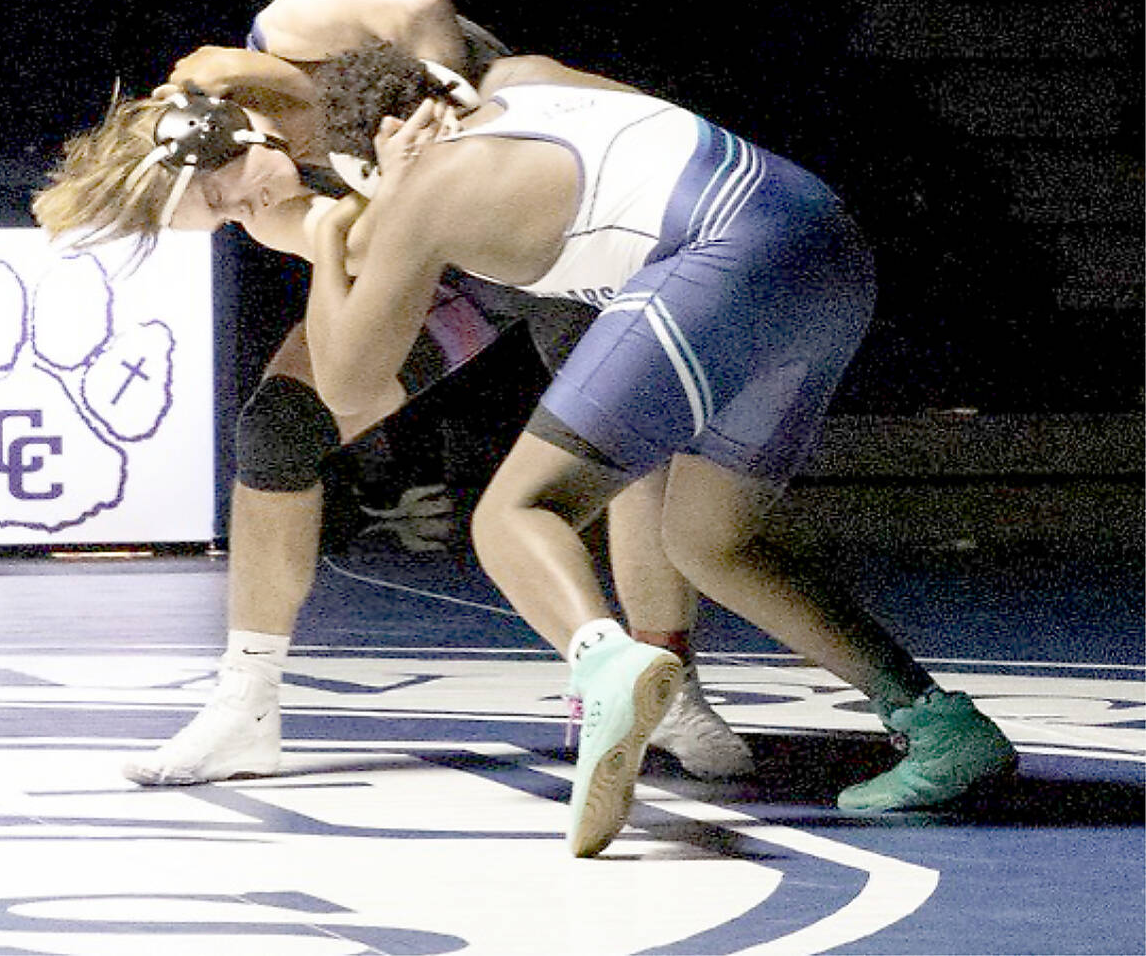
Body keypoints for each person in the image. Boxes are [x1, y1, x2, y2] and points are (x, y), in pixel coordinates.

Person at [286, 42, 1018, 857]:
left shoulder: (424, 187)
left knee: (514, 513)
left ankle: (605, 665)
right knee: (709, 541)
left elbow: (350, 387)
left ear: (380, 144)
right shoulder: (529, 75)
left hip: (721, 256)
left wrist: (329, 241)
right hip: (825, 242)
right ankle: (944, 726)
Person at [32, 0, 753, 786]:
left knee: (634, 441)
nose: (245, 215)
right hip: (444, 253)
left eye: (226, 198)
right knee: (277, 430)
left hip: (549, 202)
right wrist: (384, 198)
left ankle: (671, 685)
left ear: (218, 130)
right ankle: (244, 708)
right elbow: (364, 273)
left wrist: (446, 89)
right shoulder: (271, 208)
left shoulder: (295, 23)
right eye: (226, 220)